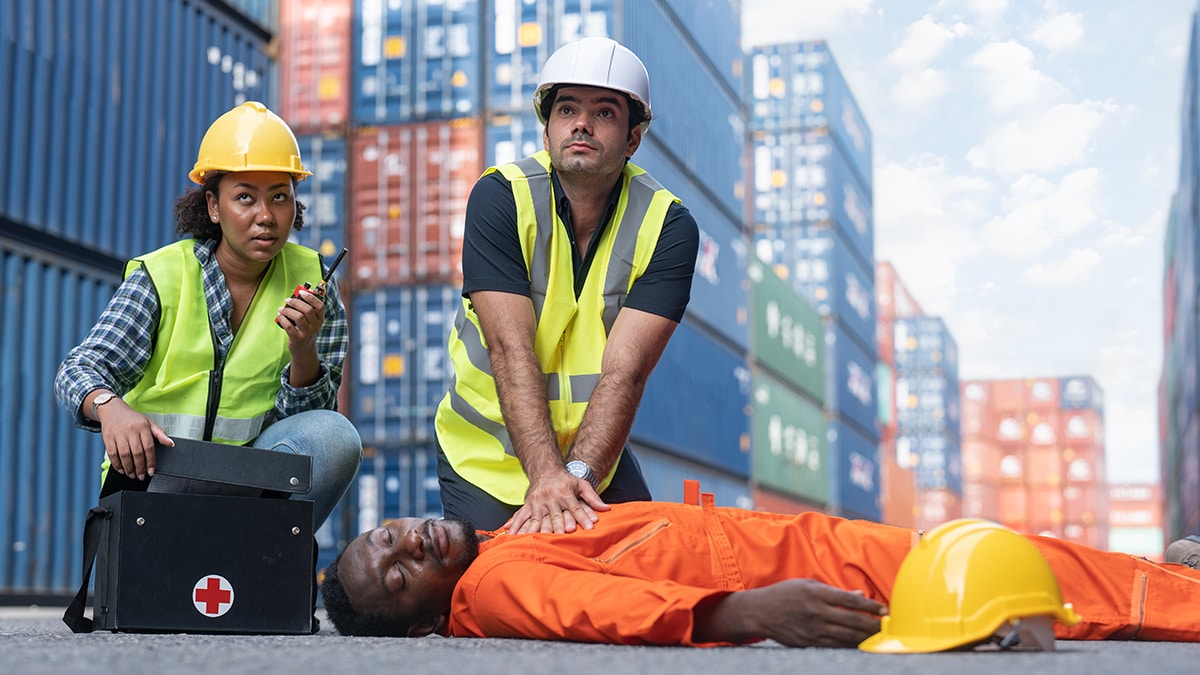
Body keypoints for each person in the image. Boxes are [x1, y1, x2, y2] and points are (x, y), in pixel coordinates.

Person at [319, 481, 1200, 647]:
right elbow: (588, 609)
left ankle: (1171, 579)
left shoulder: (505, 539)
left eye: (384, 534)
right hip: (806, 568)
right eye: (396, 577)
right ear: (429, 621)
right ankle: (1178, 597)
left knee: (1020, 560)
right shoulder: (497, 584)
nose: (406, 544)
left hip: (805, 542)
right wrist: (748, 614)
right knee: (1022, 569)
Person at [434, 36, 700, 535]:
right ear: (547, 128)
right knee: (501, 598)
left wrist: (573, 477)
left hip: (590, 462)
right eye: (567, 109)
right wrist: (544, 478)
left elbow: (627, 372)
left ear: (632, 139)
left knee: (647, 571)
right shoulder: (500, 199)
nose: (581, 122)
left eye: (603, 113)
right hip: (485, 456)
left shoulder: (667, 225)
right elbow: (510, 348)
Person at [54, 101, 362, 528]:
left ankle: (263, 562)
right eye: (244, 198)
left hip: (246, 483)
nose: (266, 217)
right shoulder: (163, 276)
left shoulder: (314, 285)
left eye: (279, 197)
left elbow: (307, 432)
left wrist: (303, 349)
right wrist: (109, 407)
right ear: (213, 208)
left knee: (336, 436)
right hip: (156, 477)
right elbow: (78, 369)